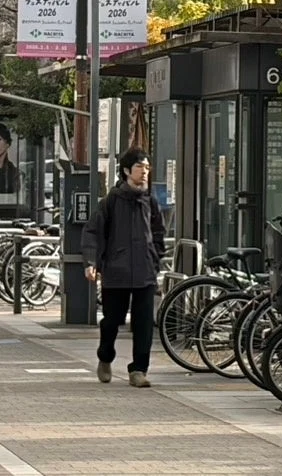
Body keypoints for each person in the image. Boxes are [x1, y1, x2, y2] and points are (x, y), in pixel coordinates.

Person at [81, 147, 164, 388]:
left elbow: (158, 233)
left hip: (145, 272)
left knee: (144, 324)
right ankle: (105, 356)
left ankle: (138, 370)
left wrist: (155, 258)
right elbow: (93, 231)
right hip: (116, 271)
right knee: (112, 320)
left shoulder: (150, 201)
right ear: (127, 170)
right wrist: (91, 262)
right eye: (140, 167)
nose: (144, 172)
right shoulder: (111, 201)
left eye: (147, 167)